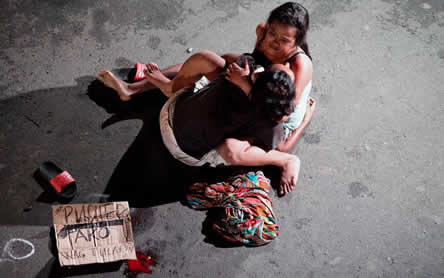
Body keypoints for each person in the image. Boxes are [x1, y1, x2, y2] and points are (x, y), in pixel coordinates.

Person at [98, 2, 314, 195]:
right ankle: (135, 89)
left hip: (274, 113)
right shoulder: (263, 35)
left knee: (230, 147)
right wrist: (240, 75)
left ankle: (286, 161)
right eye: (272, 33)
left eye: (283, 40)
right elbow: (245, 60)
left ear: (296, 42)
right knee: (212, 59)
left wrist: (245, 85)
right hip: (252, 90)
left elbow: (279, 115)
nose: (274, 43)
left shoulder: (296, 68)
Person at [98, 54, 300, 194]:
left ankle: (168, 87)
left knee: (207, 59)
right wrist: (304, 118)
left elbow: (228, 57)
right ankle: (285, 161)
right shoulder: (267, 120)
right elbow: (280, 145)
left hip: (174, 106)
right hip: (182, 150)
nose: (290, 65)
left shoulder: (244, 65)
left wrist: (243, 82)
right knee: (233, 146)